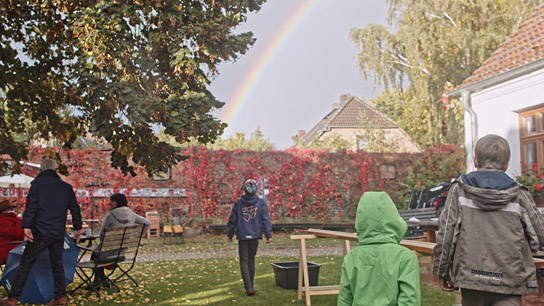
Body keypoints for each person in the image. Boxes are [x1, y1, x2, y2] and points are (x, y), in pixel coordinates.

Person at [433, 134, 544, 306]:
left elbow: (447, 233)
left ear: (476, 161)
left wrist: (441, 270)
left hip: (472, 279)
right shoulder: (520, 194)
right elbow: (539, 234)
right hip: (510, 278)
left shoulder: (459, 190)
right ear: (506, 164)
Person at [0, 158, 82, 306]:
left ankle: (13, 298)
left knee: (26, 263)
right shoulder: (65, 187)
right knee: (57, 264)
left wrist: (26, 225)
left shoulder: (37, 185)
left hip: (40, 231)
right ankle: (60, 297)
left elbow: (31, 207)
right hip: (57, 232)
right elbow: (75, 209)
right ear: (56, 170)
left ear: (42, 170)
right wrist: (77, 228)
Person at [337, 192, 421, 306]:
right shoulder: (405, 257)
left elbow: (344, 300)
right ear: (394, 218)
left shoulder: (351, 258)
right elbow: (410, 300)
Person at [91, 193, 151, 288]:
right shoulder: (131, 214)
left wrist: (107, 242)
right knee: (98, 255)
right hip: (121, 253)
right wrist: (136, 237)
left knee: (95, 255)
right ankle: (102, 280)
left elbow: (101, 234)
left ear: (116, 202)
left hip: (106, 253)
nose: (110, 204)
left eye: (112, 202)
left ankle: (98, 280)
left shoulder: (110, 215)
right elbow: (147, 223)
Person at [227, 179, 272, 296]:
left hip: (242, 235)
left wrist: (230, 234)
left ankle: (248, 286)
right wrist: (268, 235)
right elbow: (265, 220)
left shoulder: (238, 203)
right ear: (256, 190)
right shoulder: (261, 203)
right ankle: (250, 284)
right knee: (251, 259)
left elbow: (233, 220)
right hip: (255, 234)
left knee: (244, 260)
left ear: (244, 189)